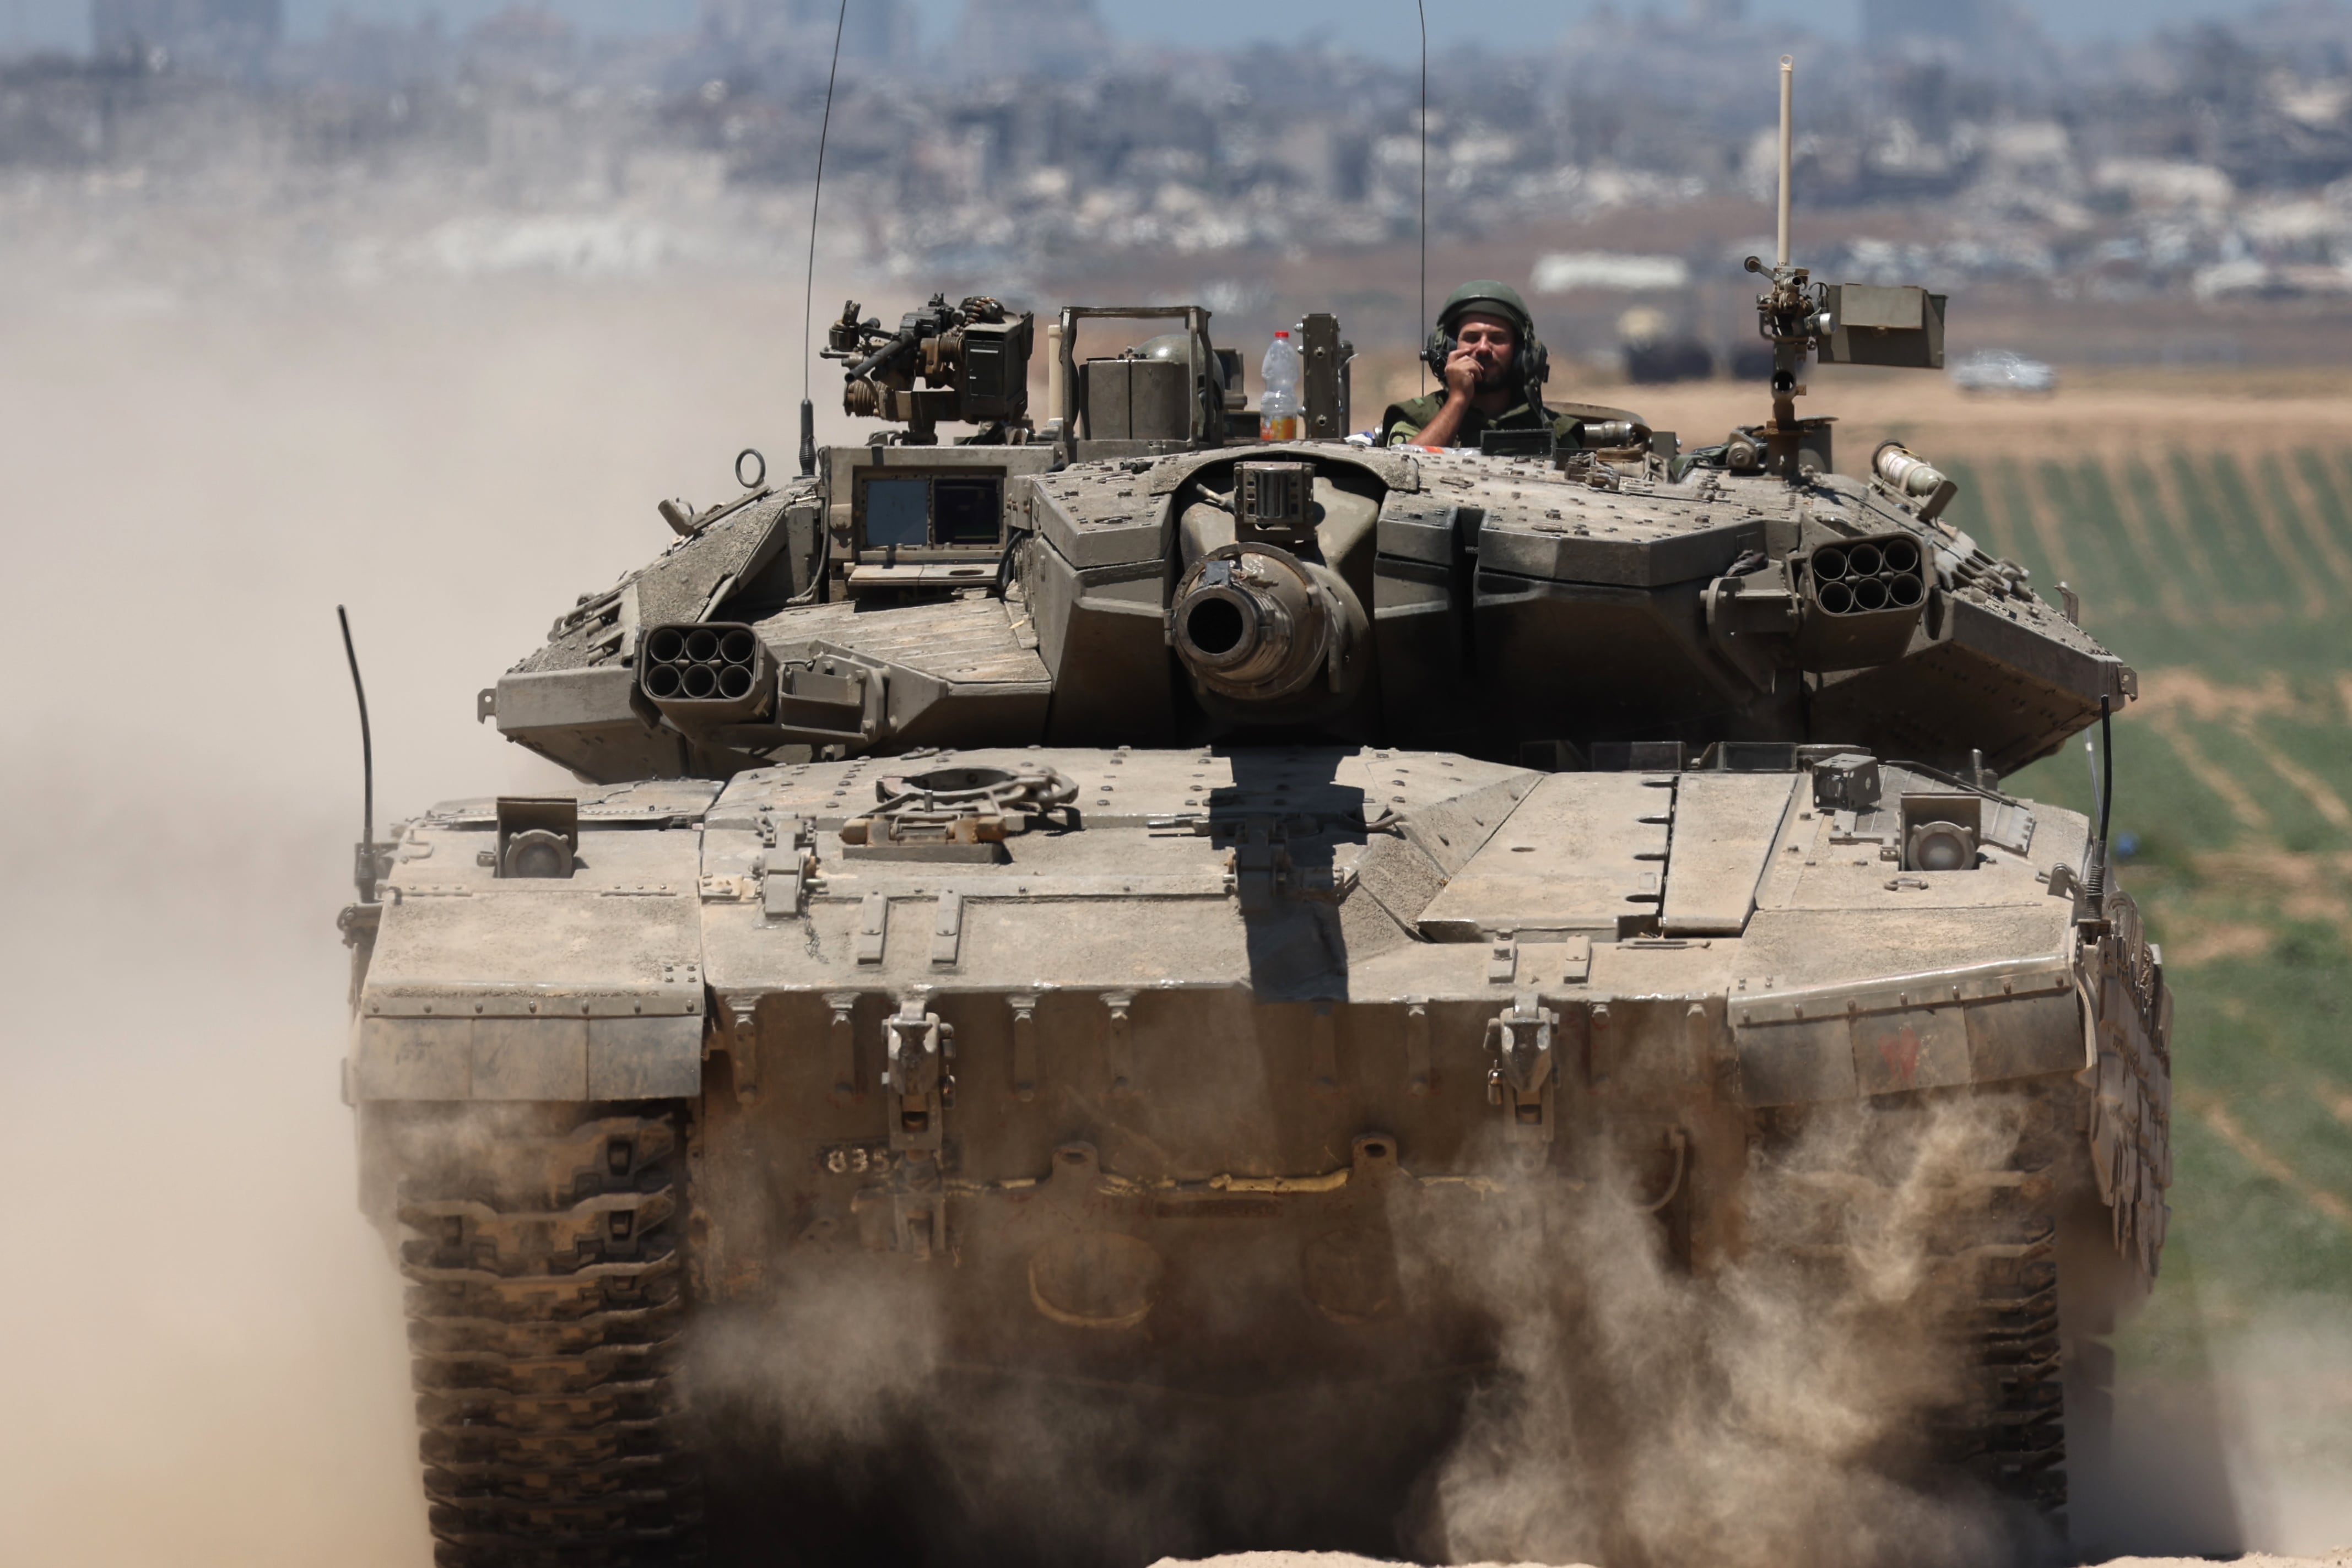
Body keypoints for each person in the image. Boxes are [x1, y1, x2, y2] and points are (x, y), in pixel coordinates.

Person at [1380, 280, 1637, 450]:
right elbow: (1403, 470)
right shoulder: (1417, 418)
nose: (1482, 348)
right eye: (1470, 338)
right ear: (1446, 350)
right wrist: (1458, 401)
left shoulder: (1554, 432)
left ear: (1522, 354)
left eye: (1497, 339)